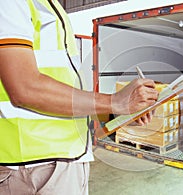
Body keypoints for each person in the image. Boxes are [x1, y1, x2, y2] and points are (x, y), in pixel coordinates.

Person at [0, 0, 158, 194]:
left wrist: (119, 112)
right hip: (33, 168)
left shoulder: (50, 6)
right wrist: (114, 101)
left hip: (63, 160)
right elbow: (25, 87)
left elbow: (66, 91)